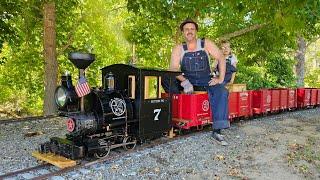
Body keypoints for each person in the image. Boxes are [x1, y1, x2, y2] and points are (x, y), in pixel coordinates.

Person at [168, 18, 232, 145]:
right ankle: (172, 123)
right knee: (167, 80)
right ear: (183, 32)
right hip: (188, 80)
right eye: (186, 29)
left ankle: (217, 131)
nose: (189, 31)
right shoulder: (178, 49)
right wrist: (185, 82)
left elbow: (220, 57)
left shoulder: (205, 43)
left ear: (196, 31)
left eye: (192, 29)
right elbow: (173, 69)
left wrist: (220, 79)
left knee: (222, 92)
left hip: (206, 80)